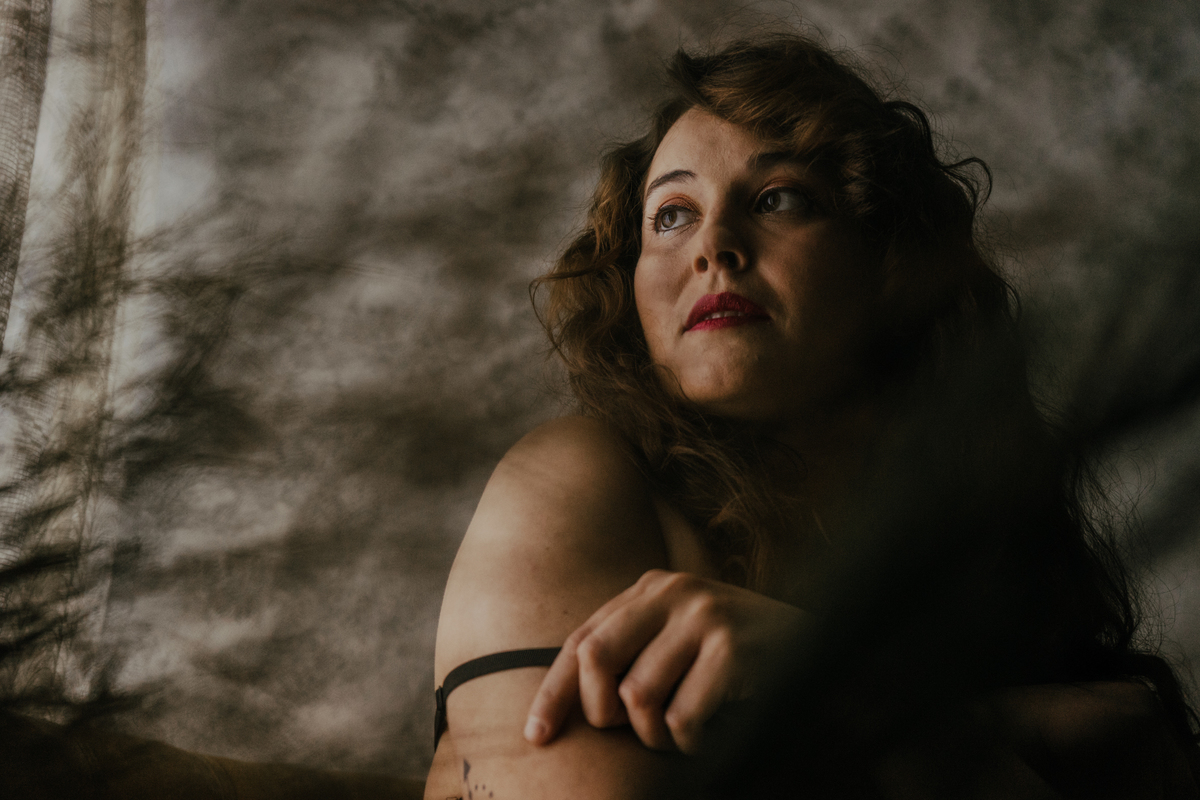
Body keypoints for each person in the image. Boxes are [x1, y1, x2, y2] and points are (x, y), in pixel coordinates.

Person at [423, 33, 1200, 799]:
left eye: (778, 199)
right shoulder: (574, 481)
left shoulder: (985, 556)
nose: (714, 246)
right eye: (671, 216)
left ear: (889, 263)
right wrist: (925, 721)